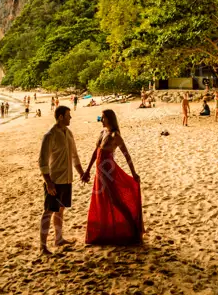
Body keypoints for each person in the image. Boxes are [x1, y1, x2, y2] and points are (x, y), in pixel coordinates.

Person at [84, 109, 143, 245]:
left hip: (108, 172)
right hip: (99, 172)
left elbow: (126, 154)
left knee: (115, 200)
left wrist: (133, 173)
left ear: (110, 119)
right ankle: (105, 230)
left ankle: (134, 229)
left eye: (103, 117)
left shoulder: (115, 135)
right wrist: (87, 170)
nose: (101, 120)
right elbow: (96, 152)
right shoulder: (102, 133)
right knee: (101, 200)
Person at [38, 106, 88, 253]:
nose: (70, 118)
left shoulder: (69, 133)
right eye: (68, 115)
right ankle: (43, 246)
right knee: (48, 211)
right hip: (54, 180)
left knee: (60, 210)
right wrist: (48, 182)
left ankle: (58, 239)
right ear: (60, 117)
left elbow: (75, 156)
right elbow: (42, 162)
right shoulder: (50, 135)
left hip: (67, 180)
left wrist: (81, 173)